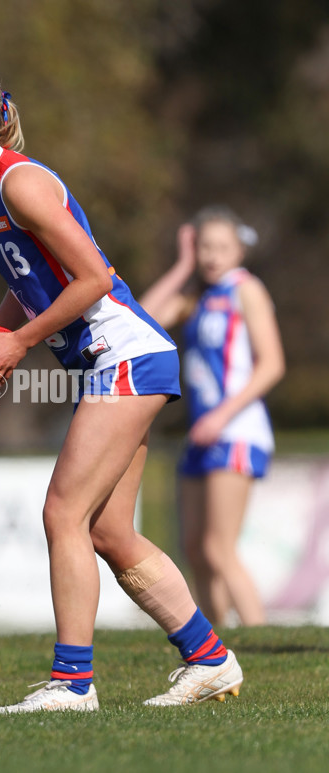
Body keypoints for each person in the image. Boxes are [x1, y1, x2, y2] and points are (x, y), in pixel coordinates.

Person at [0, 66, 244, 710]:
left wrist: (20, 343)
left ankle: (73, 685)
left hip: (126, 353)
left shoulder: (22, 183)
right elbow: (27, 282)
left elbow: (96, 278)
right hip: (107, 363)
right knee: (108, 533)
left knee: (62, 513)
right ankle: (210, 659)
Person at [140, 207, 285, 626]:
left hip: (236, 430)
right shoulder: (196, 297)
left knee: (220, 548)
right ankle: (220, 647)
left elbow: (272, 364)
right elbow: (142, 318)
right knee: (196, 550)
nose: (212, 256)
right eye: (204, 247)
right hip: (202, 434)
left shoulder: (246, 290)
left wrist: (222, 417)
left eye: (222, 247)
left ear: (240, 251)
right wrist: (181, 267)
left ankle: (261, 639)